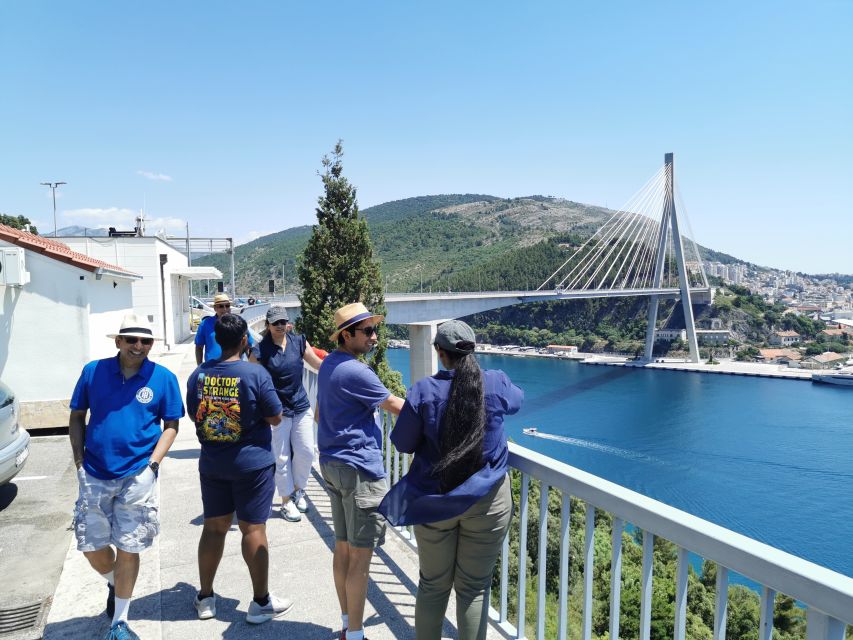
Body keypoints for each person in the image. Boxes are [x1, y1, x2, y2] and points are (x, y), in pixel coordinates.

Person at [378, 320, 523, 640]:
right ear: (473, 352)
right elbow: (517, 401)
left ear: (439, 353)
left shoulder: (423, 391)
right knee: (473, 589)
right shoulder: (495, 383)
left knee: (432, 585)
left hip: (435, 503)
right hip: (487, 502)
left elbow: (402, 443)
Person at [69, 314, 185, 640]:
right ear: (117, 341)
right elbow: (77, 416)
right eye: (131, 340)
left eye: (145, 341)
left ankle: (119, 622)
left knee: (129, 546)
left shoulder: (162, 378)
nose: (138, 346)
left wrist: (153, 467)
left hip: (138, 475)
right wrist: (79, 463)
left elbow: (172, 426)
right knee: (91, 546)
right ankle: (115, 582)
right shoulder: (93, 371)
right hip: (93, 472)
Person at [186, 313, 294, 624]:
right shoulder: (255, 374)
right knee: (254, 529)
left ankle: (206, 598)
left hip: (213, 463)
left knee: (213, 528)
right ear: (245, 340)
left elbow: (195, 415)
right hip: (252, 465)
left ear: (216, 340)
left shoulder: (199, 375)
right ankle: (261, 603)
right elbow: (275, 417)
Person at [317, 303, 404, 640]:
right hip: (359, 470)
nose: (374, 336)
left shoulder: (330, 365)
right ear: (346, 335)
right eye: (366, 331)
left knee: (342, 549)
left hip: (333, 464)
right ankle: (355, 634)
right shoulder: (357, 371)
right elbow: (397, 406)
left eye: (373, 329)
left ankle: (346, 623)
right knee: (361, 560)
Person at [249, 306, 324, 522]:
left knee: (307, 452)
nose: (280, 326)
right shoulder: (260, 350)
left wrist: (340, 367)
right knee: (281, 458)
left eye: (283, 322)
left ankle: (298, 490)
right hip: (276, 411)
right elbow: (252, 377)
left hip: (300, 405)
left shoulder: (299, 341)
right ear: (268, 325)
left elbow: (317, 364)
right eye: (276, 323)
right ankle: (285, 501)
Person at [195, 293, 255, 363]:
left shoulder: (238, 322)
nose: (225, 309)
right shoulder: (205, 324)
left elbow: (248, 346)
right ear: (215, 308)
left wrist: (252, 366)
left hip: (234, 368)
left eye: (227, 305)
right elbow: (199, 347)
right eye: (221, 306)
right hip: (212, 369)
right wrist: (200, 366)